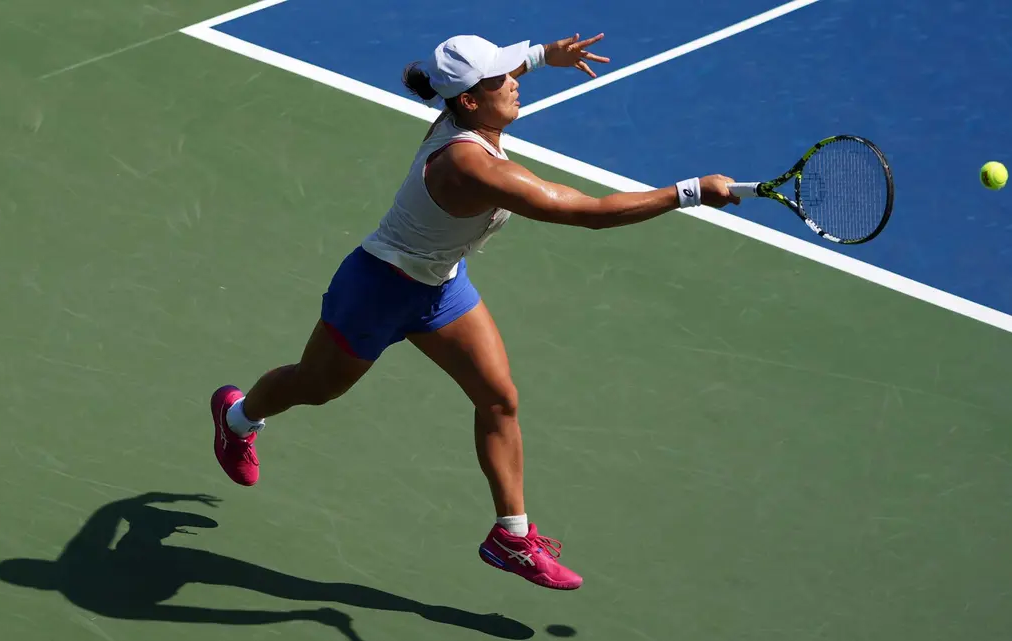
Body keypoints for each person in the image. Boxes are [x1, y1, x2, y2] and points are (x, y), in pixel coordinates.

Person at [210, 32, 740, 591]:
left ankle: (511, 537)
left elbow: (504, 76)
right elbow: (590, 212)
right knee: (314, 387)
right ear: (468, 101)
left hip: (441, 287)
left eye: (510, 72)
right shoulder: (472, 166)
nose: (513, 83)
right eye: (500, 80)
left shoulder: (465, 116)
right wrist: (689, 192)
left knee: (498, 398)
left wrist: (541, 56)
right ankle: (238, 418)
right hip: (377, 289)